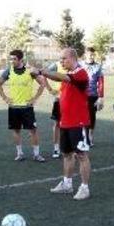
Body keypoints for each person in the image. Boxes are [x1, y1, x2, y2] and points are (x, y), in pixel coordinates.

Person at [39, 48, 92, 200]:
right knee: (67, 154)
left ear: (73, 58)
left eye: (64, 59)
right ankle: (67, 184)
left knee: (81, 155)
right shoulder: (67, 76)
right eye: (60, 59)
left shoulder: (80, 73)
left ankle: (84, 188)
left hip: (79, 122)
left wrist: (42, 72)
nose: (61, 61)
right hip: (66, 122)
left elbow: (60, 77)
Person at [0, 50, 45, 162]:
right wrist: (5, 98)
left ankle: (36, 154)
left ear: (20, 60)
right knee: (16, 130)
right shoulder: (9, 71)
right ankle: (19, 153)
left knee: (33, 130)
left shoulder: (30, 71)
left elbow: (42, 83)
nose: (12, 61)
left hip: (27, 108)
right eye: (11, 59)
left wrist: (34, 98)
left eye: (14, 59)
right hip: (14, 108)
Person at [84, 47, 105, 145]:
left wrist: (101, 97)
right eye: (89, 54)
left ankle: (90, 136)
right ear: (86, 54)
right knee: (84, 115)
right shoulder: (81, 65)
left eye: (93, 54)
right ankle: (85, 136)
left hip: (93, 95)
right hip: (82, 95)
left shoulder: (98, 66)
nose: (91, 56)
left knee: (92, 116)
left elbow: (101, 82)